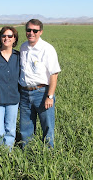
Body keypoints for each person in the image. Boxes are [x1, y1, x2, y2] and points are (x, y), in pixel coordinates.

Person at [19, 19, 61, 148]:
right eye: (29, 30)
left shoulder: (47, 49)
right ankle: (27, 152)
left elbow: (54, 73)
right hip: (24, 93)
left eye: (35, 31)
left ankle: (48, 155)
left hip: (41, 93)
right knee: (25, 127)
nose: (31, 33)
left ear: (40, 32)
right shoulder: (23, 47)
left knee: (47, 125)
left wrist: (49, 96)